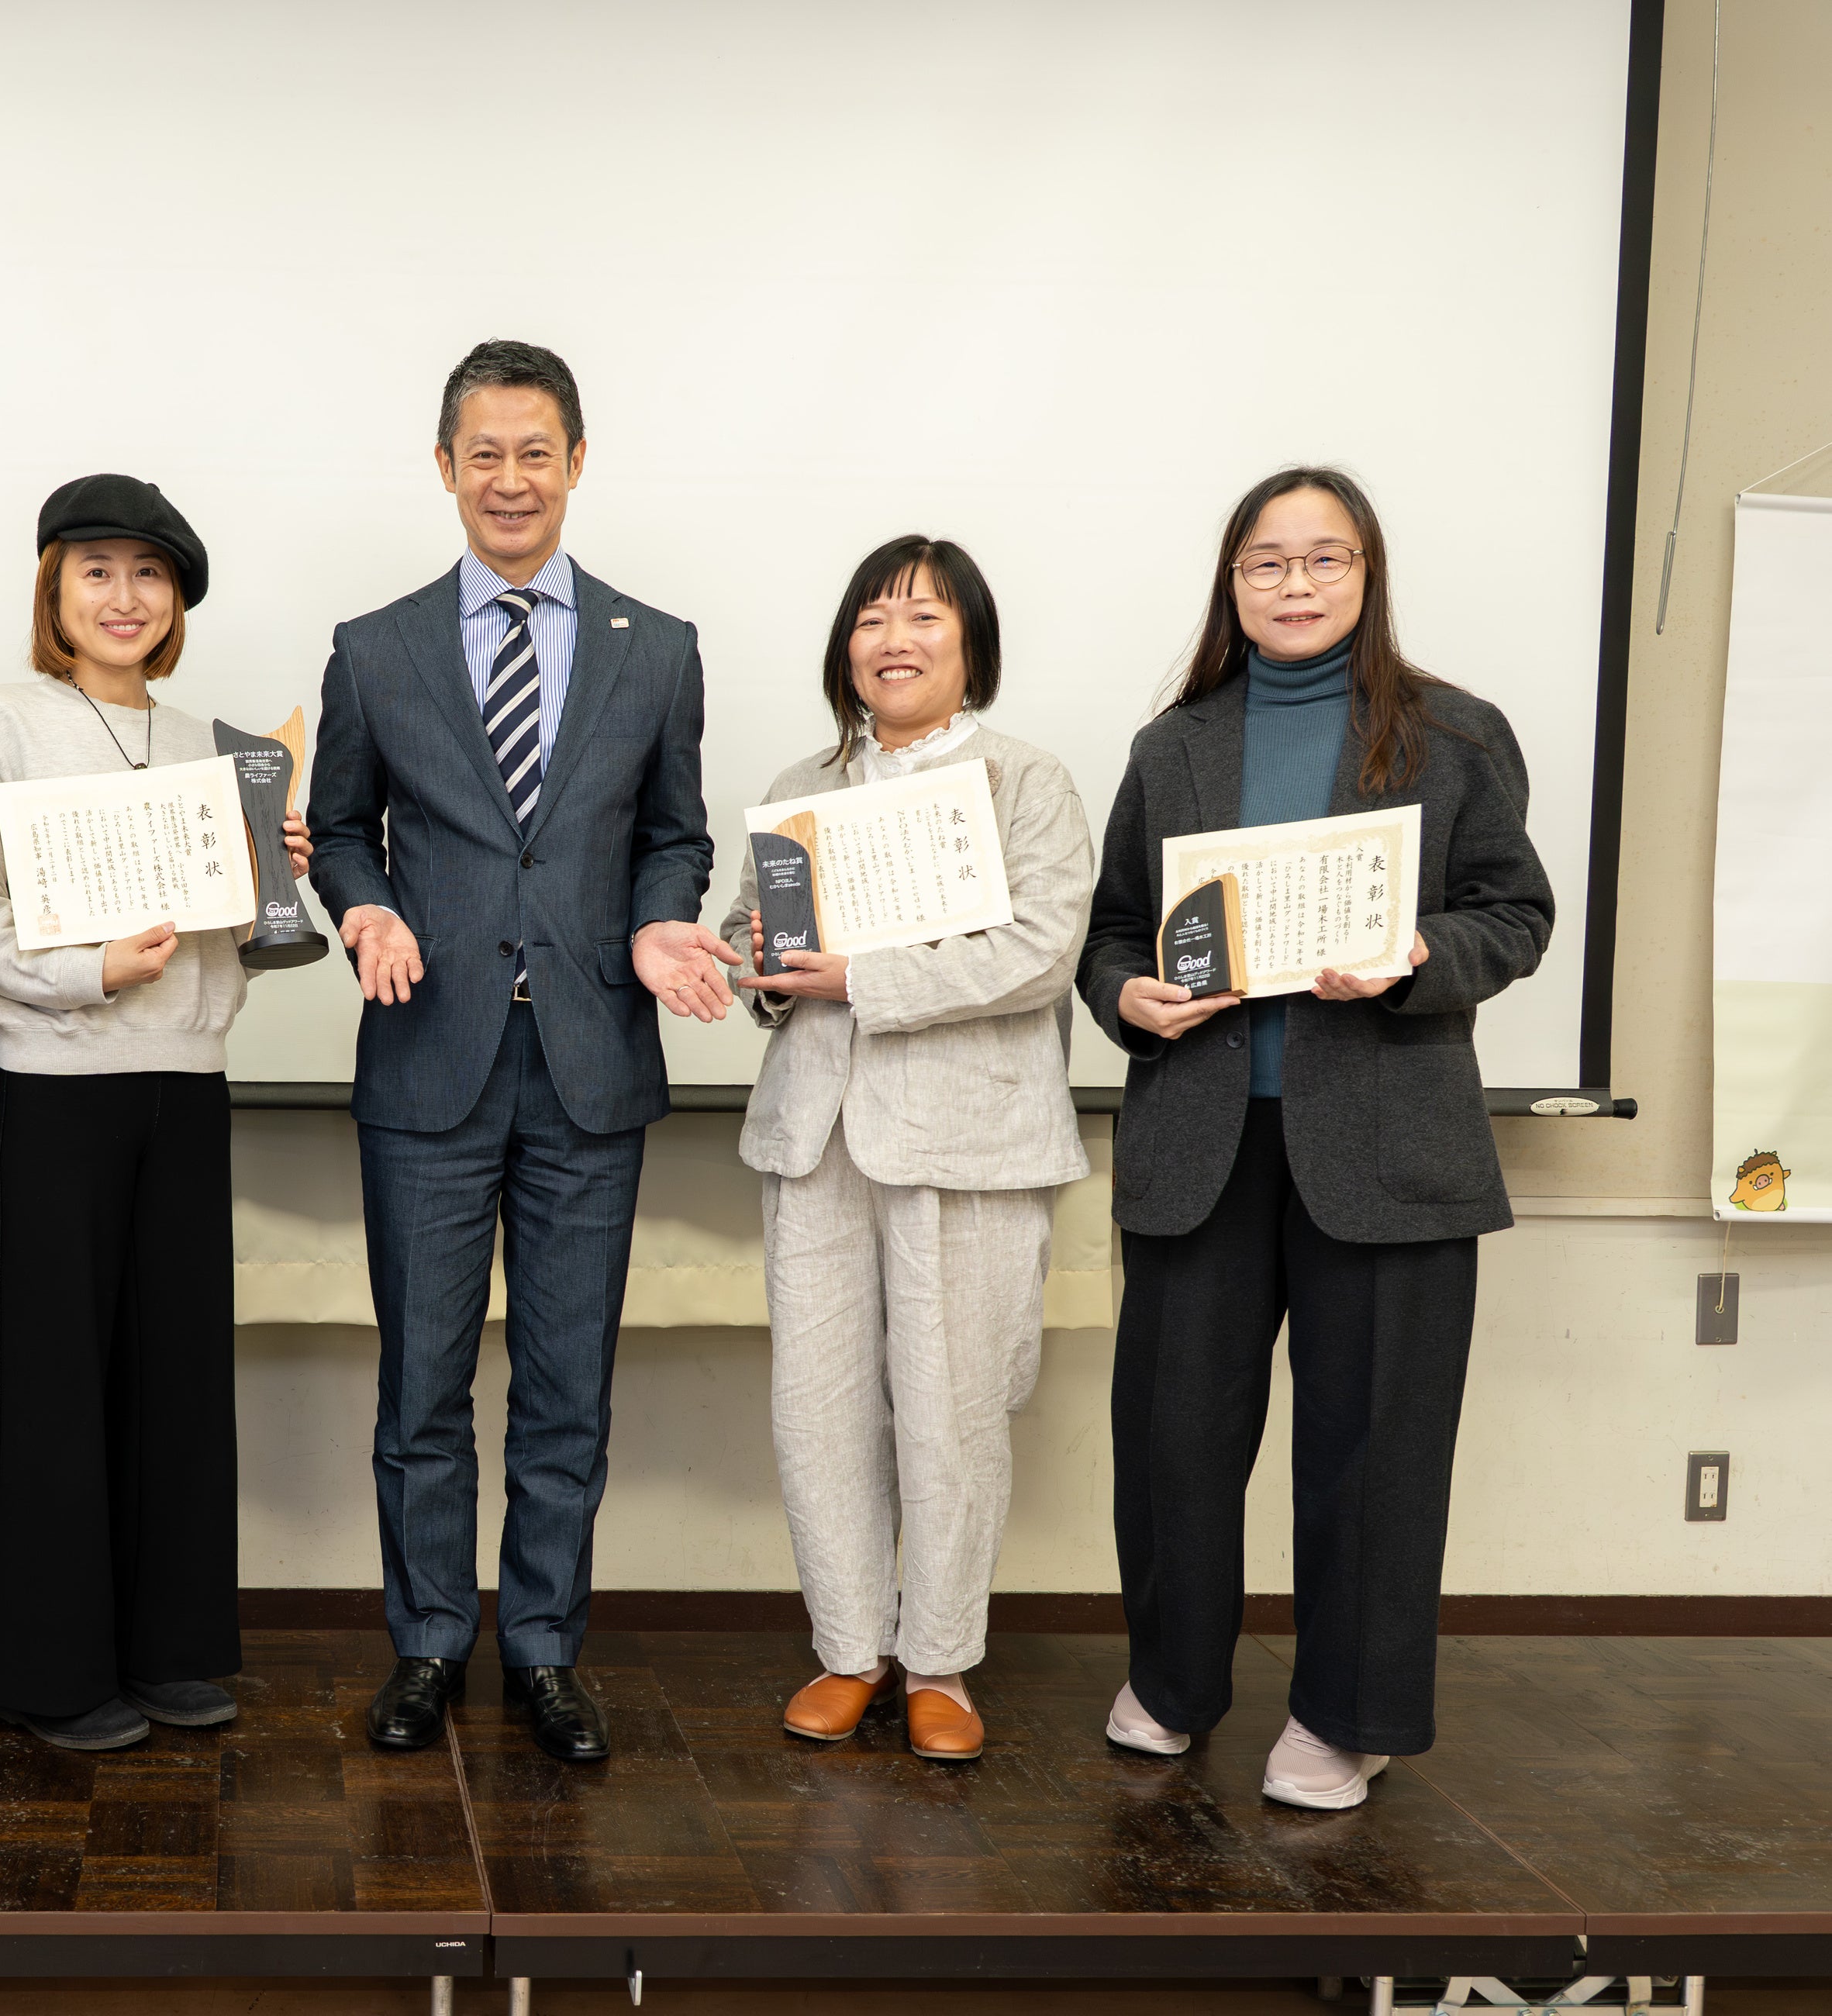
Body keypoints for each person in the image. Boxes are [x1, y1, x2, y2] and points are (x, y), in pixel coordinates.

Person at [1078, 466, 1551, 1809]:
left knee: (1377, 1449)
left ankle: (1350, 1717)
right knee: (1175, 1439)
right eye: (1266, 563)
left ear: (1367, 573)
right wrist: (1127, 994)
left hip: (1390, 1147)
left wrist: (1418, 956)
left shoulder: (1453, 734)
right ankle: (1172, 1682)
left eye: (1323, 559)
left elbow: (1514, 915)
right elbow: (1115, 930)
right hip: (1202, 1143)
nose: (1295, 584)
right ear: (1232, 584)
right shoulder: (1175, 744)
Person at [307, 340, 733, 1765]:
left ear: (577, 462)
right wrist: (364, 904)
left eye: (534, 452)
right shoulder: (376, 647)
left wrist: (661, 921)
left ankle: (546, 1648)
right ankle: (429, 1640)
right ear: (445, 467)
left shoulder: (656, 647)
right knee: (422, 1385)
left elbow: (674, 833)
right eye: (482, 453)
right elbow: (343, 827)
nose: (509, 479)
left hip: (591, 1063)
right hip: (428, 1058)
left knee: (567, 1387)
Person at [0, 474, 311, 1752]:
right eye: (96, 571)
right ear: (55, 590)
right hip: (58, 1086)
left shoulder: (215, 744)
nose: (124, 596)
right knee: (55, 1384)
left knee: (177, 1377)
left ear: (177, 601)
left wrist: (269, 880)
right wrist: (89, 970)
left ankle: (168, 1650)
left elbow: (236, 940)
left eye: (149, 574)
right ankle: (46, 1672)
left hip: (188, 1084)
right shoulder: (5, 721)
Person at [720, 536, 1092, 1763]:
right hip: (815, 1133)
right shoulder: (802, 783)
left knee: (952, 1411)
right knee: (817, 1405)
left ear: (971, 644)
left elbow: (1041, 950)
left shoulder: (1026, 780)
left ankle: (938, 1661)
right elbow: (755, 934)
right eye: (872, 618)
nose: (894, 639)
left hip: (969, 1138)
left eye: (925, 617)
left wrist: (858, 978)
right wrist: (758, 964)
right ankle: (848, 1649)